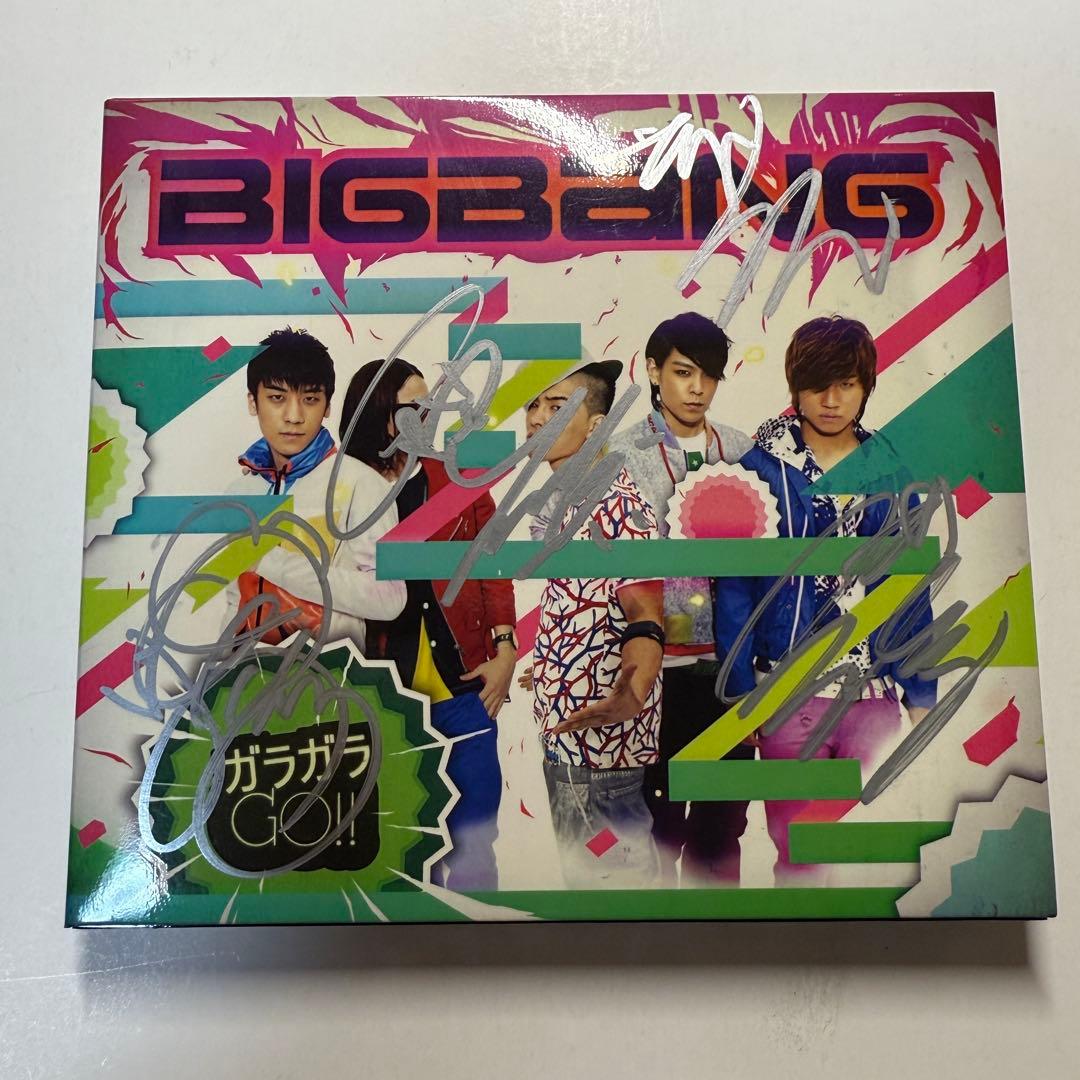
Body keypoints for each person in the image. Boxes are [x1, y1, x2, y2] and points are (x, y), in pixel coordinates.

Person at [714, 315, 936, 882]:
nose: (832, 401)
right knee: (799, 855)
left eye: (847, 385)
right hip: (788, 692)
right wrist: (739, 694)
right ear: (796, 387)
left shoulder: (891, 471)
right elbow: (735, 587)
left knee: (871, 857)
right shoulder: (760, 468)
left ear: (866, 387)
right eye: (817, 386)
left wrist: (922, 693)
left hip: (874, 694)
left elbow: (908, 590)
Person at [339, 357, 517, 892]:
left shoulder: (455, 476)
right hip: (378, 697)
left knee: (475, 840)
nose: (429, 417)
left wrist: (506, 651)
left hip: (463, 683)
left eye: (431, 405)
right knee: (401, 848)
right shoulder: (343, 488)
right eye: (413, 408)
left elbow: (492, 565)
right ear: (378, 413)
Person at [607, 312, 756, 886]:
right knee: (656, 826)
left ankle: (720, 932)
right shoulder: (621, 455)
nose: (697, 388)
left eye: (709, 376)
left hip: (730, 669)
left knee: (723, 827)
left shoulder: (741, 450)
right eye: (683, 372)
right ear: (653, 371)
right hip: (657, 670)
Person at [520, 361, 665, 888]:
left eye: (557, 407)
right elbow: (597, 602)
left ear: (596, 426)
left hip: (597, 759)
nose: (538, 418)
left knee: (608, 885)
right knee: (603, 881)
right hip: (578, 749)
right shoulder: (574, 498)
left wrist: (635, 686)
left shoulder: (612, 502)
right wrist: (556, 660)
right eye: (533, 405)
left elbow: (646, 611)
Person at [225, 327, 405, 648]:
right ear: (253, 402)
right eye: (277, 398)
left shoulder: (361, 484)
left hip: (328, 671)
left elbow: (390, 597)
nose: (294, 416)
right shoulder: (239, 493)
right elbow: (231, 599)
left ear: (327, 407)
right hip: (247, 670)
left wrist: (272, 562)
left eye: (309, 400)